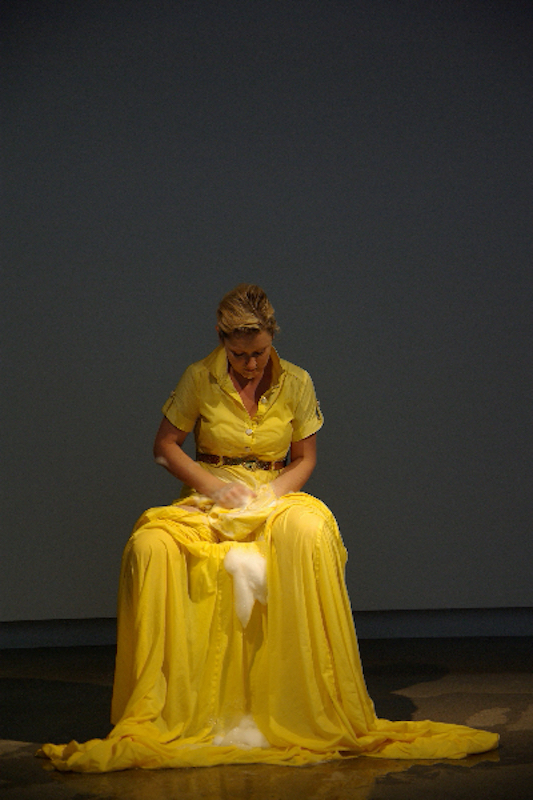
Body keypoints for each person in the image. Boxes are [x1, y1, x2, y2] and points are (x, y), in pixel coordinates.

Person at [40, 284, 499, 772]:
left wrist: (270, 496)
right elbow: (166, 446)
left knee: (310, 531)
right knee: (151, 544)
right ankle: (172, 708)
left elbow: (306, 458)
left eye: (257, 353)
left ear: (271, 339)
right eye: (238, 354)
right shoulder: (200, 377)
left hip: (274, 496)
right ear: (222, 340)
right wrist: (215, 491)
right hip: (210, 500)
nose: (250, 364)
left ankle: (299, 702)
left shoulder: (297, 381)